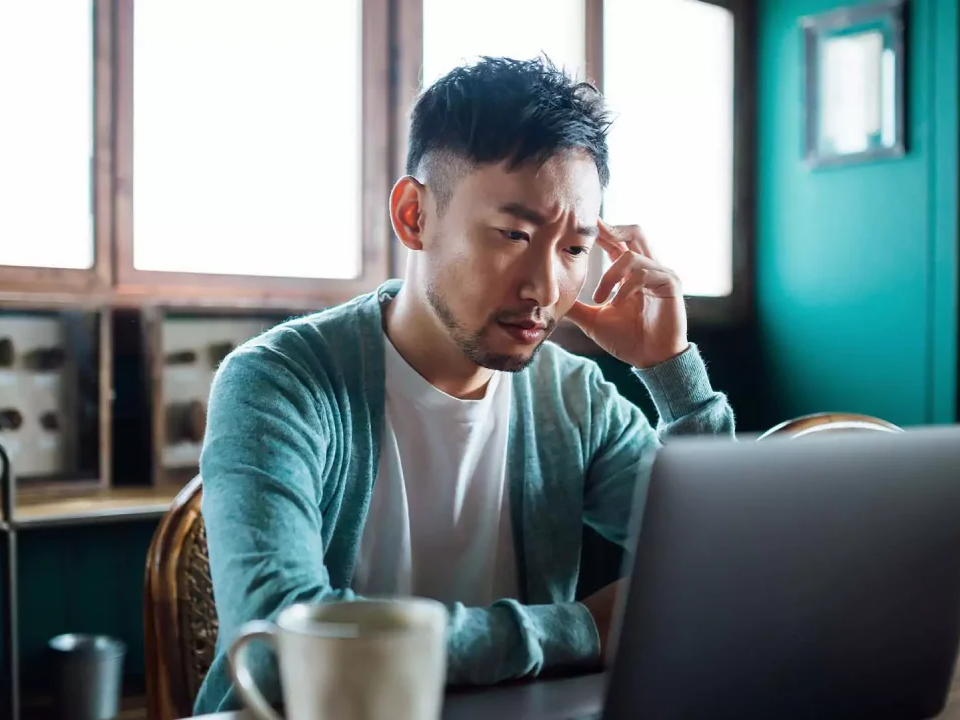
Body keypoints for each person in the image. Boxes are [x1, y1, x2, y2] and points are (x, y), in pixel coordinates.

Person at [193, 56, 736, 714]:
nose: (544, 289)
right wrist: (582, 628)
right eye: (513, 234)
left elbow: (725, 566)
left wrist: (670, 370)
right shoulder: (279, 382)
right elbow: (284, 647)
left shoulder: (576, 399)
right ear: (414, 215)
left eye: (573, 249)